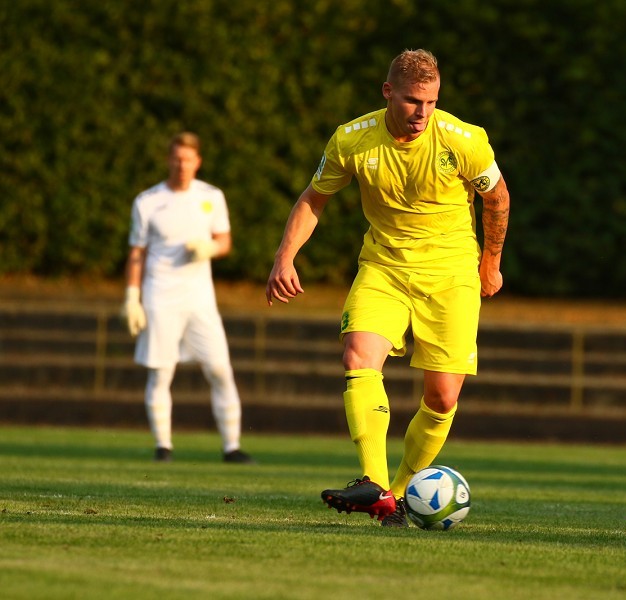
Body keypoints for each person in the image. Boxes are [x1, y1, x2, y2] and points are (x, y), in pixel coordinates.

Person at [266, 49, 510, 527]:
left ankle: (396, 497)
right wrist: (284, 256)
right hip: (384, 266)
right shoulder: (352, 140)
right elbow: (315, 198)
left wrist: (491, 262)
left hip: (452, 273)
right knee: (358, 354)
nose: (422, 113)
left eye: (432, 102)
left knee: (442, 397)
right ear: (387, 93)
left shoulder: (465, 140)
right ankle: (373, 481)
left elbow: (497, 197)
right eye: (413, 101)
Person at [122, 132, 254, 464]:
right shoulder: (148, 201)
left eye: (188, 159)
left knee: (220, 369)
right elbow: (137, 252)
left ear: (197, 162)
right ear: (169, 160)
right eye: (177, 159)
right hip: (160, 296)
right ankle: (163, 446)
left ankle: (231, 447)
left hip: (199, 299)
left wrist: (209, 248)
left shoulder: (211, 196)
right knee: (161, 372)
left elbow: (224, 241)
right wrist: (131, 296)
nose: (182, 165)